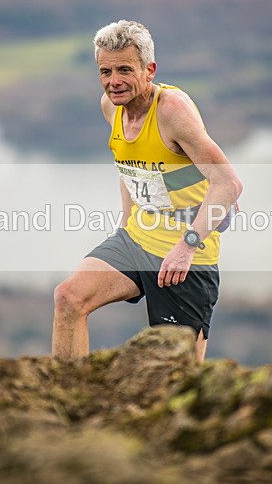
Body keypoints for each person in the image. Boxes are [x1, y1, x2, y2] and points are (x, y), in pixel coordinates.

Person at [52, 20, 242, 362]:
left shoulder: (172, 111)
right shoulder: (111, 107)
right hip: (136, 240)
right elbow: (130, 168)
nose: (114, 81)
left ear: (149, 70)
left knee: (178, 370)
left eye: (125, 69)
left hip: (186, 254)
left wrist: (186, 247)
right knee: (69, 298)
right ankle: (70, 398)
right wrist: (125, 226)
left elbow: (228, 184)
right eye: (105, 71)